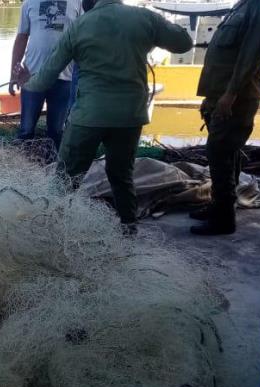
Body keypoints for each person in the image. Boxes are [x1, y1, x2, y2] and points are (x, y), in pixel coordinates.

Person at [23, 0, 193, 233]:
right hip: (130, 116)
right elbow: (184, 43)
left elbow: (45, 78)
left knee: (65, 179)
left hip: (89, 117)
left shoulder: (79, 25)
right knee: (122, 175)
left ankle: (49, 231)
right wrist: (150, 36)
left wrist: (26, 82)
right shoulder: (145, 18)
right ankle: (128, 228)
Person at [190, 0, 260, 236]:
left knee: (219, 151)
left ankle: (223, 218)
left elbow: (253, 53)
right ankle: (218, 206)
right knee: (223, 154)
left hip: (237, 96)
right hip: (220, 92)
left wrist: (231, 94)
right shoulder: (243, 5)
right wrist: (212, 96)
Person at [8, 0, 82, 151]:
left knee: (56, 132)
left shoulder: (79, 3)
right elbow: (21, 37)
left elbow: (85, 38)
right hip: (31, 76)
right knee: (26, 130)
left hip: (64, 78)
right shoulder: (29, 3)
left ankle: (52, 169)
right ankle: (21, 166)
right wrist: (13, 75)